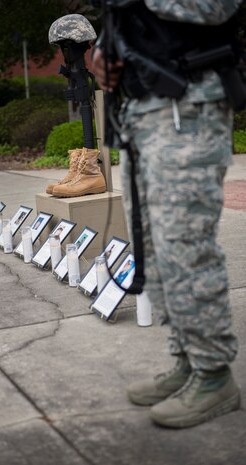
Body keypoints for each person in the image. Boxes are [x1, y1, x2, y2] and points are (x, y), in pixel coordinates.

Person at [91, 0, 243, 428]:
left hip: (190, 106)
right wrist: (107, 46)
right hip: (144, 112)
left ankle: (214, 375)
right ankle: (189, 360)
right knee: (155, 248)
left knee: (184, 246)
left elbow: (215, 9)